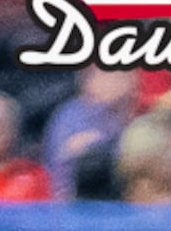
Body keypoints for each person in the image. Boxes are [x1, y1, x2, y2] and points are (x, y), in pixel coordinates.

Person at [40, 65, 134, 199]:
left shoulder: (129, 114)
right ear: (88, 82)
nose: (121, 82)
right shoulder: (71, 115)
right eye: (110, 75)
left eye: (125, 75)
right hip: (74, 201)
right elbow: (63, 166)